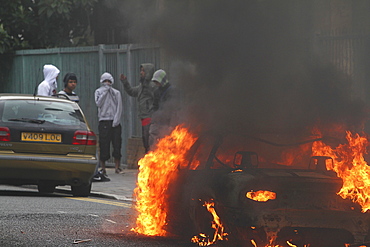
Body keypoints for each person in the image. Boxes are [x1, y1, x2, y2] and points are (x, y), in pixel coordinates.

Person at [120, 63, 155, 153]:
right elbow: (131, 91)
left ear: (148, 72)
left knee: (148, 140)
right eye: (141, 70)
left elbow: (156, 98)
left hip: (149, 117)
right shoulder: (141, 86)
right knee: (145, 139)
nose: (141, 73)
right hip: (143, 117)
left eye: (143, 71)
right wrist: (125, 82)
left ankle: (150, 156)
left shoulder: (151, 86)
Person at [95, 72, 124, 175]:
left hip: (114, 121)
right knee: (104, 144)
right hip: (103, 121)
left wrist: (116, 120)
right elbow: (98, 103)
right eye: (105, 81)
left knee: (117, 144)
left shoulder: (116, 93)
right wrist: (105, 92)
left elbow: (119, 106)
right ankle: (103, 168)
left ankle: (117, 167)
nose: (107, 83)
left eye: (109, 81)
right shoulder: (98, 92)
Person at [149, 69, 176, 149]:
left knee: (168, 144)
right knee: (154, 140)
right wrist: (154, 117)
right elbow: (155, 106)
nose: (156, 84)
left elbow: (174, 108)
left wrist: (172, 124)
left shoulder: (172, 91)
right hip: (158, 122)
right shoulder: (156, 92)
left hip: (168, 123)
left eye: (157, 82)